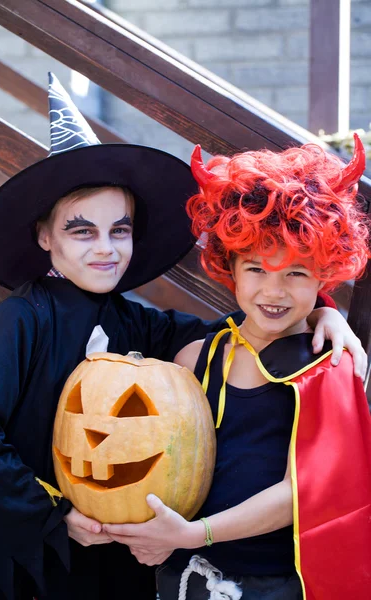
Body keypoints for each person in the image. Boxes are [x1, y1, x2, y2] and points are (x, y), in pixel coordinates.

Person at [103, 137, 371, 600]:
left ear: (325, 276)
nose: (274, 292)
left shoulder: (331, 366)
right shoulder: (195, 360)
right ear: (229, 265)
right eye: (256, 269)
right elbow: (167, 467)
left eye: (296, 273)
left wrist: (195, 533)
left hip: (282, 585)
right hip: (186, 578)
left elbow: (304, 490)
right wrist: (154, 534)